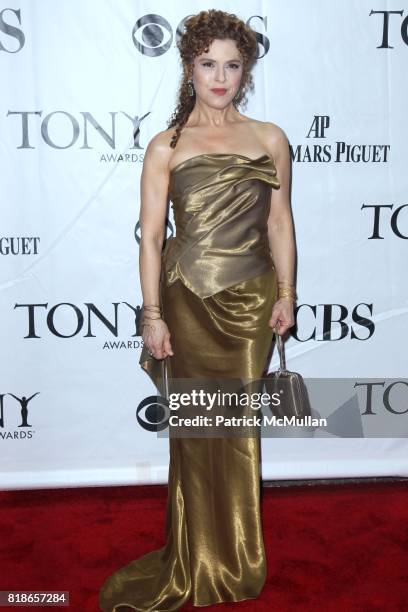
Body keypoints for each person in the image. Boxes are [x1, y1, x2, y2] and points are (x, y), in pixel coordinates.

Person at [99, 9, 295, 611]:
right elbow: (152, 237)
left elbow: (280, 222)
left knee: (237, 431)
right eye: (208, 63)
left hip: (250, 303)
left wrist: (287, 294)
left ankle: (236, 559)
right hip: (187, 303)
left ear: (246, 72)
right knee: (192, 435)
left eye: (232, 65)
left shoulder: (269, 138)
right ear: (189, 66)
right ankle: (194, 557)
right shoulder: (168, 145)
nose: (220, 76)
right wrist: (151, 314)